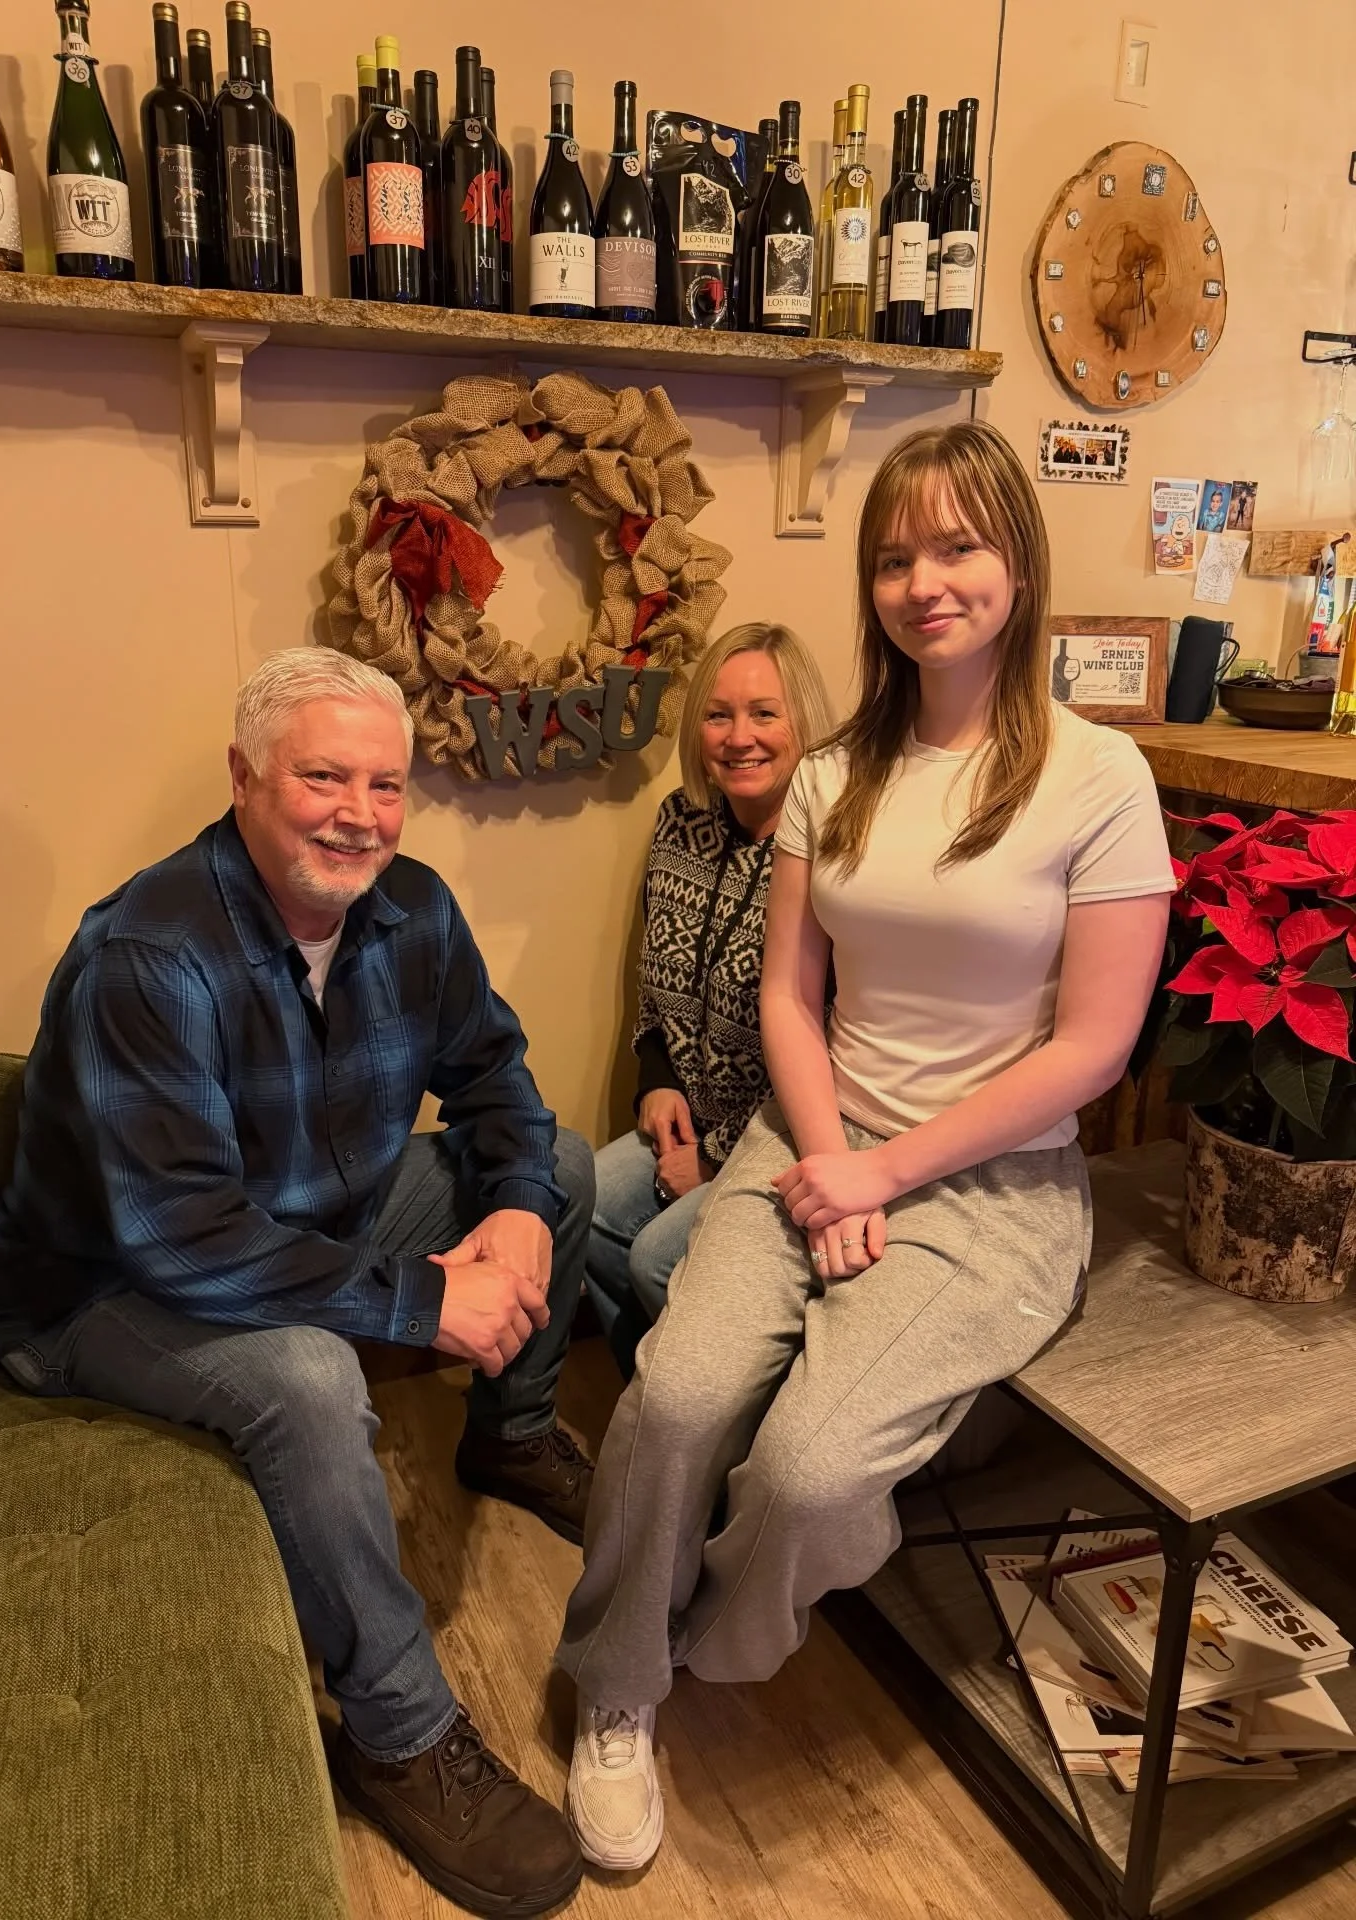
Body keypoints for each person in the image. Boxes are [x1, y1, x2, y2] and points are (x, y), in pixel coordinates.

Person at [556, 420, 1175, 1871]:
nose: (924, 583)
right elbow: (790, 993)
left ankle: (702, 1642)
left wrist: (884, 1178)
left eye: (957, 547)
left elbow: (1090, 1050)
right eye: (895, 556)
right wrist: (825, 1162)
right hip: (809, 1138)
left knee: (814, 1480)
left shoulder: (1097, 779)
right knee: (676, 1395)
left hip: (993, 1184)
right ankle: (614, 1688)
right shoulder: (835, 776)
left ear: (1018, 559)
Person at [0, 649, 592, 1917]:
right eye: (323, 776)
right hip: (107, 1289)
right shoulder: (148, 954)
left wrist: (521, 1213)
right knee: (309, 1380)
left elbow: (493, 1080)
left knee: (571, 1168)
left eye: (386, 783)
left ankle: (513, 1434)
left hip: (319, 1211)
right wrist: (425, 1304)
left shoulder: (412, 908)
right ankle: (400, 1732)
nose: (359, 814)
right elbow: (186, 1235)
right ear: (246, 777)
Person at [584, 623, 834, 1378]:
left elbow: (834, 1043)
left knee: (661, 1259)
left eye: (765, 713)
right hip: (691, 1116)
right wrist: (655, 1077)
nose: (738, 737)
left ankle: (719, 1429)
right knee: (583, 1205)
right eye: (719, 715)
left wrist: (720, 1162)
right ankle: (651, 1400)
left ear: (804, 725)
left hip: (786, 1137)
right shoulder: (681, 822)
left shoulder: (834, 850)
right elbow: (655, 975)